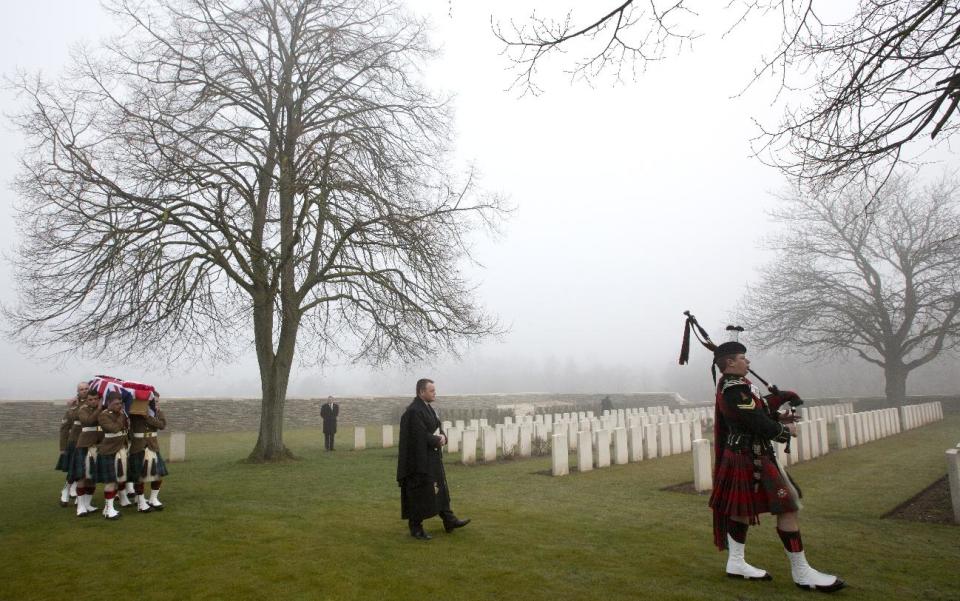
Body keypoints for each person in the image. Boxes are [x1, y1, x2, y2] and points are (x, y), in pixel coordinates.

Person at [708, 341, 844, 592]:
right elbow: (755, 421)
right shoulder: (734, 390)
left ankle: (736, 562)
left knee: (741, 510)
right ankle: (802, 572)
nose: (748, 362)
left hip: (749, 454)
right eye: (743, 358)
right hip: (750, 455)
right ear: (730, 363)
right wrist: (784, 430)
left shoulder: (738, 387)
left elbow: (756, 413)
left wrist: (777, 410)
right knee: (788, 506)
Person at [396, 378, 470, 540]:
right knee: (421, 492)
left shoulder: (428, 408)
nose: (435, 393)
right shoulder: (414, 411)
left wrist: (443, 437)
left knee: (440, 489)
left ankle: (449, 520)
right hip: (419, 461)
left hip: (432, 458)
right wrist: (437, 440)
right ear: (421, 392)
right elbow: (419, 435)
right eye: (431, 391)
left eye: (434, 390)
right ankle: (416, 528)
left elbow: (436, 428)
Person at [70, 388, 103, 517]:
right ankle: (80, 506)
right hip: (84, 446)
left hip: (98, 447)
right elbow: (88, 421)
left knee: (92, 478)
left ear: (99, 399)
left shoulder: (104, 410)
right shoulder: (82, 409)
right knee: (81, 477)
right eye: (90, 399)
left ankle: (88, 504)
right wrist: (99, 409)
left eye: (95, 399)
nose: (93, 401)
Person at [95, 391, 129, 520]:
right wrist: (122, 416)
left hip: (119, 450)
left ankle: (107, 508)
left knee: (116, 481)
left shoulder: (119, 414)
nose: (119, 406)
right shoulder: (103, 415)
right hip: (108, 451)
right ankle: (109, 510)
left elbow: (124, 431)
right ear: (108, 403)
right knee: (110, 482)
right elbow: (114, 429)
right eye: (116, 404)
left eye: (120, 403)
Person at [55, 382, 87, 506]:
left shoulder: (93, 403)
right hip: (75, 442)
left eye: (86, 388)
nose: (84, 391)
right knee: (74, 470)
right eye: (81, 389)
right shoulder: (74, 407)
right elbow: (64, 428)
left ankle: (79, 495)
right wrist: (62, 448)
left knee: (85, 471)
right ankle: (66, 489)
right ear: (78, 391)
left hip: (89, 442)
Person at [139, 396, 169, 510]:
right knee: (140, 475)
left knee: (158, 474)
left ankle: (153, 498)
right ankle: (140, 500)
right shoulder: (137, 413)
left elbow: (162, 425)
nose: (155, 404)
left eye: (156, 401)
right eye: (152, 401)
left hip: (153, 446)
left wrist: (148, 417)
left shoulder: (159, 412)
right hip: (139, 446)